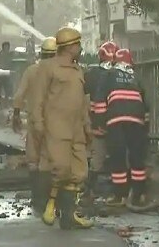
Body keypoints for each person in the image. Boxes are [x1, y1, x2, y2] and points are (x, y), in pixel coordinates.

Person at [30, 27, 93, 230]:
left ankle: (69, 215)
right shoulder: (48, 68)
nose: (80, 48)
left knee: (79, 171)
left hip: (76, 128)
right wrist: (38, 123)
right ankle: (50, 204)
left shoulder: (77, 70)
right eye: (78, 44)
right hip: (56, 127)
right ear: (69, 47)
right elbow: (37, 98)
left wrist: (87, 125)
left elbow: (82, 101)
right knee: (61, 169)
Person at [95, 49, 150, 207]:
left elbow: (100, 100)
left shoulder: (108, 75)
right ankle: (139, 195)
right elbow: (146, 105)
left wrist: (100, 123)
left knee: (117, 157)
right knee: (137, 158)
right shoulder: (136, 77)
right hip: (136, 120)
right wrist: (145, 126)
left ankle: (120, 195)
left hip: (116, 120)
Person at [12, 36, 57, 215]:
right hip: (55, 124)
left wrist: (16, 114)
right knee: (50, 161)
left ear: (41, 53)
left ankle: (37, 199)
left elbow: (19, 95)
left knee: (33, 161)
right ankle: (50, 199)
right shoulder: (61, 72)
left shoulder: (31, 71)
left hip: (33, 123)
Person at [82, 40, 119, 202]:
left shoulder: (92, 73)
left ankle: (89, 190)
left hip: (98, 120)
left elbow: (84, 93)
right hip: (118, 122)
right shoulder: (120, 73)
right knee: (118, 155)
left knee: (97, 156)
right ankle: (117, 191)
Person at [0, 42, 16, 107]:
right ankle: (0, 103)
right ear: (3, 47)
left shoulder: (10, 55)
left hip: (7, 75)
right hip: (0, 75)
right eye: (6, 47)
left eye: (8, 47)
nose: (7, 48)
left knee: (8, 90)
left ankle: (6, 103)